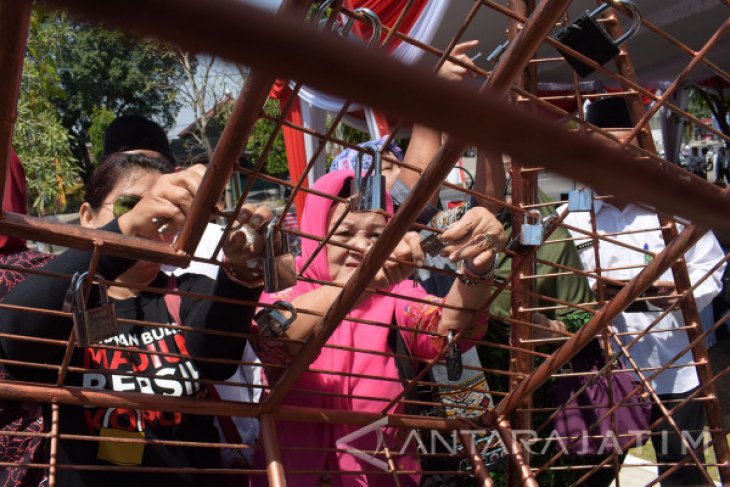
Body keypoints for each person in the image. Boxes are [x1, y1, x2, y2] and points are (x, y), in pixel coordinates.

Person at [0, 152, 274, 486]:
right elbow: (15, 336)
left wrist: (240, 273)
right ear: (86, 216)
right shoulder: (62, 295)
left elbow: (218, 360)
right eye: (129, 205)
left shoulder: (186, 291)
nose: (152, 223)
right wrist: (124, 234)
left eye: (168, 214)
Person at [249, 169, 504, 487]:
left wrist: (478, 267)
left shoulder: (396, 294)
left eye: (376, 236)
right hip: (286, 472)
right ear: (315, 231)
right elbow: (275, 332)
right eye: (344, 235)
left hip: (386, 474)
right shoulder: (286, 280)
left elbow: (448, 328)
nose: (361, 247)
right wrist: (365, 282)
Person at [560, 97, 725, 486]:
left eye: (626, 151)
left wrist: (681, 293)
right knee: (592, 475)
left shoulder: (675, 211)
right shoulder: (569, 217)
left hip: (673, 367)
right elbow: (549, 280)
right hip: (599, 372)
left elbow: (713, 269)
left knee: (682, 471)